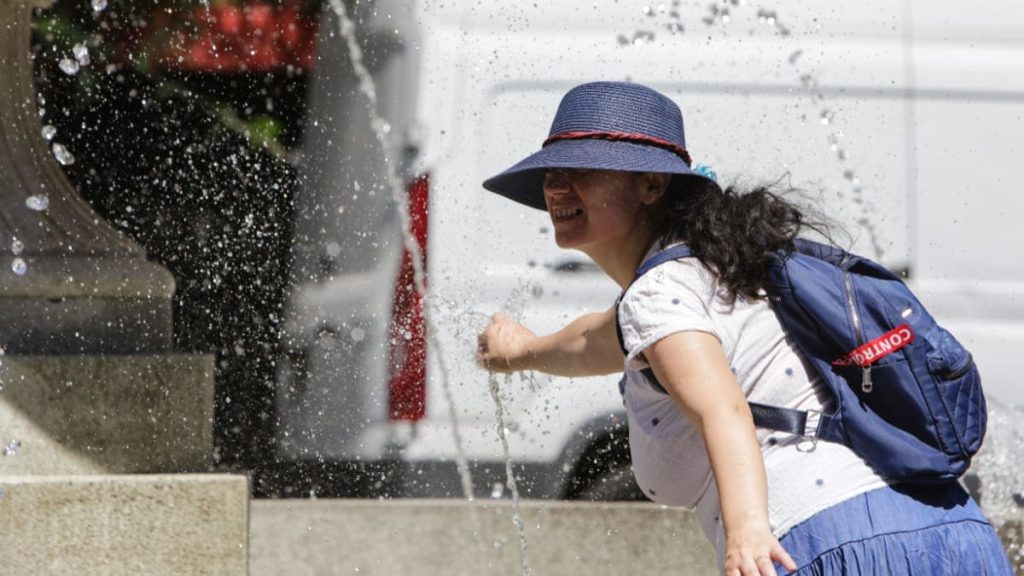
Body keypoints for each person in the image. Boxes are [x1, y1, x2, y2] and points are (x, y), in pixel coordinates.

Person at [475, 81, 1012, 576]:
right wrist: (521, 350)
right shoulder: (726, 269)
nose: (557, 187)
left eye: (585, 170)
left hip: (831, 543)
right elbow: (597, 339)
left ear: (652, 185)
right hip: (956, 532)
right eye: (551, 174)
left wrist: (747, 535)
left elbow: (722, 408)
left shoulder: (659, 295)